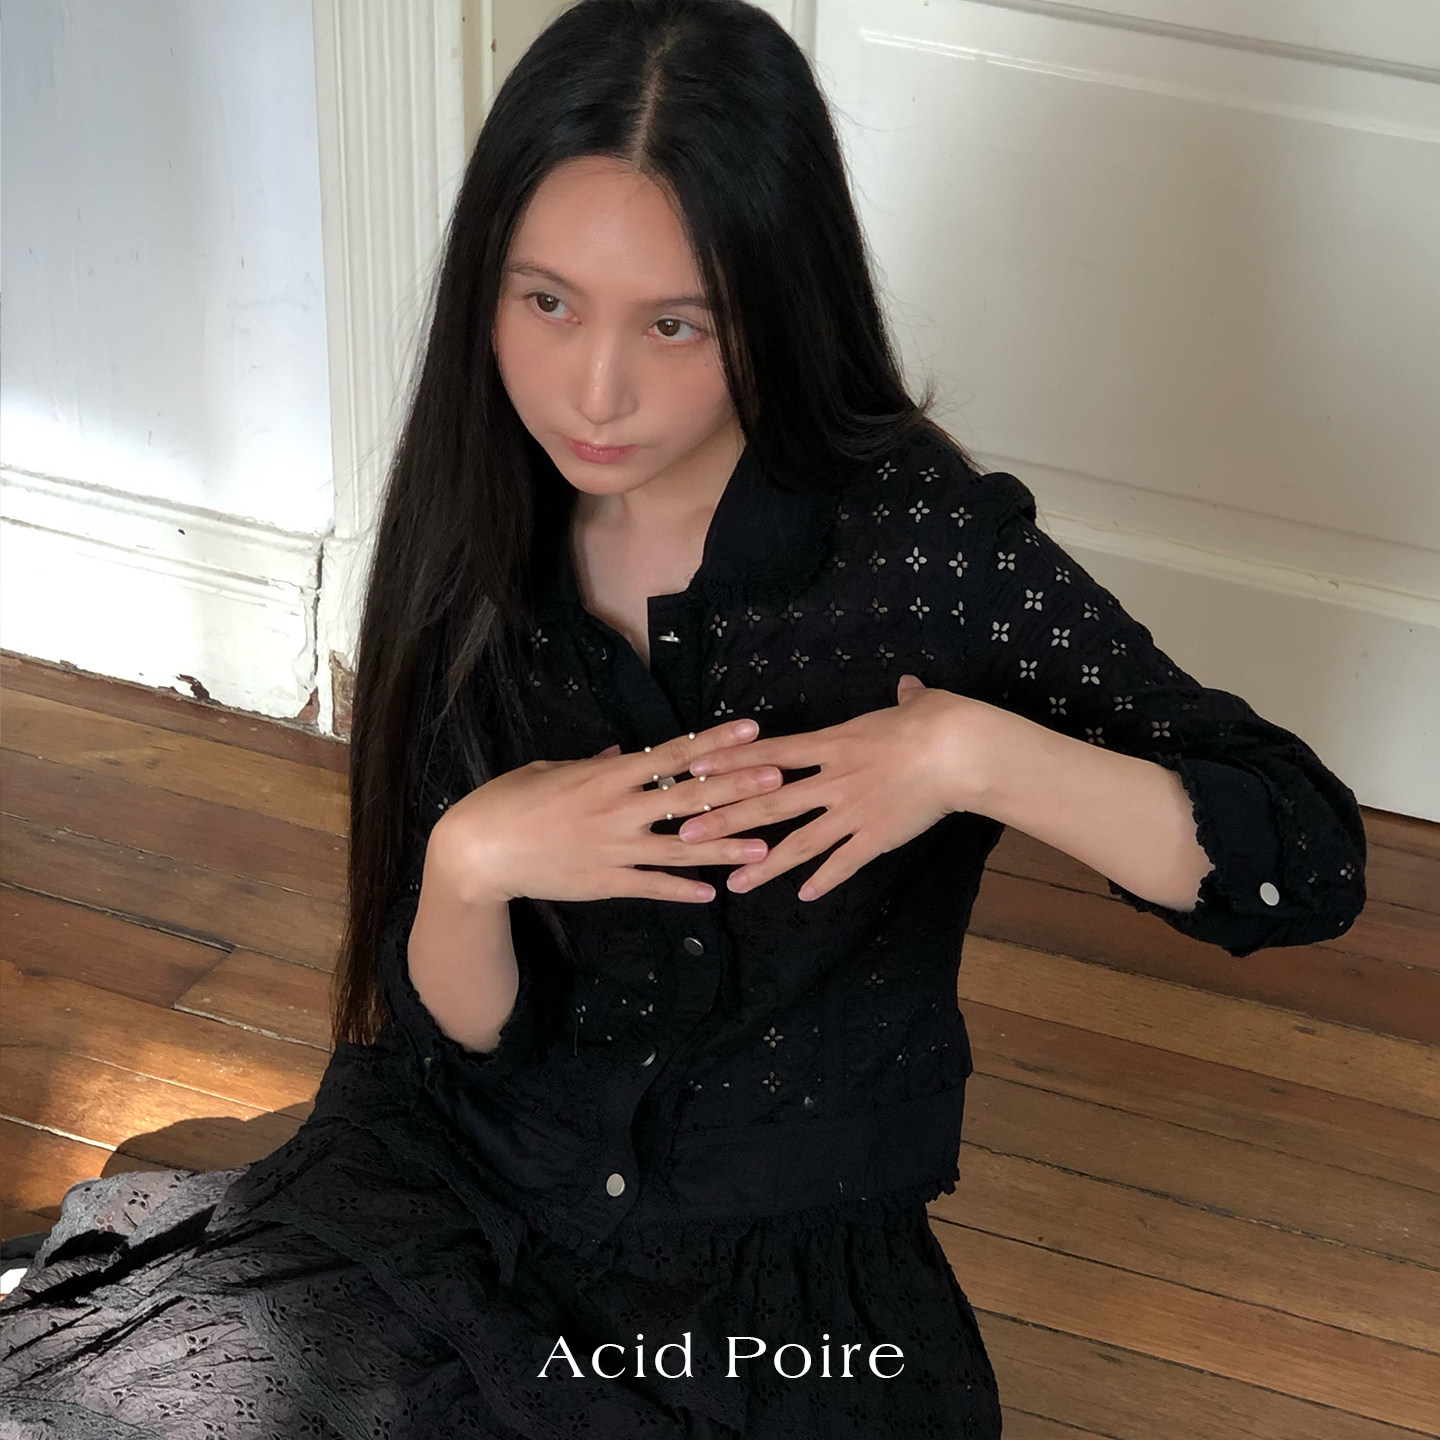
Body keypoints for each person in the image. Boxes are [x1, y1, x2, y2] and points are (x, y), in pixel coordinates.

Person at [0, 0, 1368, 1435]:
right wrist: (472, 863)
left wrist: (969, 753)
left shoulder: (921, 545)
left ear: (775, 305)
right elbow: (455, 1039)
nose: (594, 390)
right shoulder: (478, 518)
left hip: (784, 1305)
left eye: (675, 324)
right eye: (546, 303)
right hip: (463, 1194)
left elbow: (1305, 860)